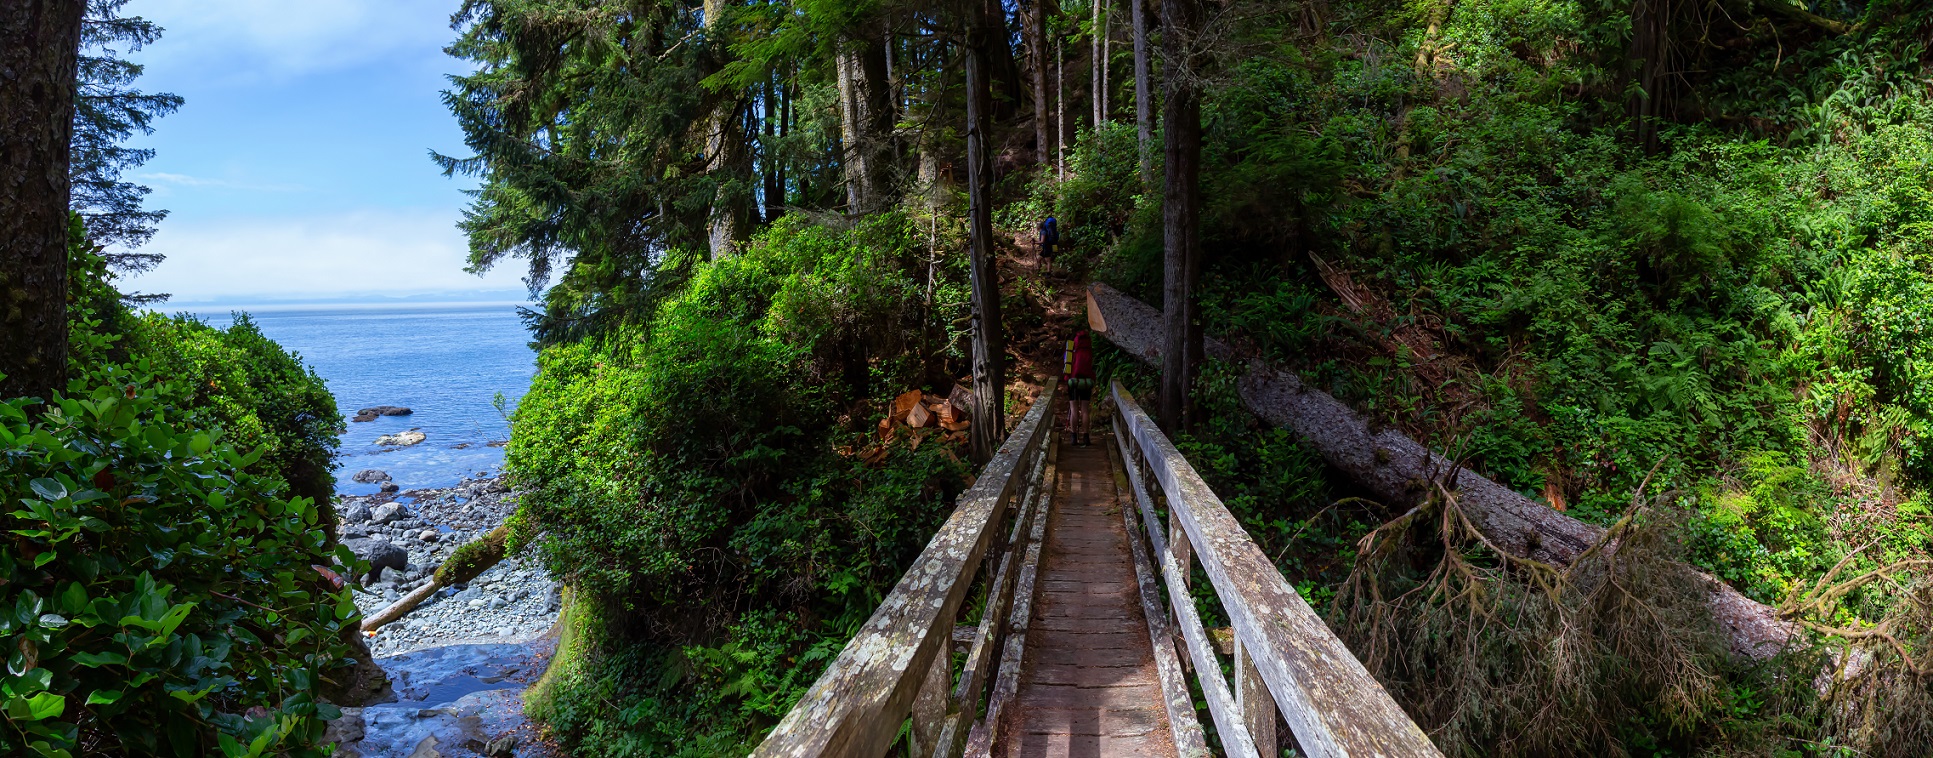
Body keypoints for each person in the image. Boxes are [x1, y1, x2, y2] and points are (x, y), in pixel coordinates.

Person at [1063, 328, 1094, 446]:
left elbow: (1067, 365)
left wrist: (1067, 379)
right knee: (1085, 410)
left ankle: (1073, 437)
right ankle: (1086, 437)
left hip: (1073, 381)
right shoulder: (1089, 347)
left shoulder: (1073, 348)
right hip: (1086, 381)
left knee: (1074, 409)